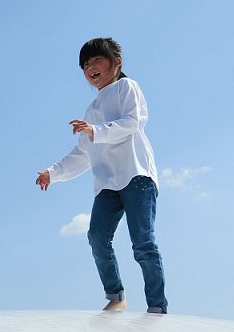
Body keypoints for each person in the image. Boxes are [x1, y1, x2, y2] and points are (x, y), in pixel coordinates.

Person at [35, 38, 167, 314]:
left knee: (143, 242)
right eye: (85, 65)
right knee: (96, 236)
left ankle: (157, 306)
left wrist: (97, 131)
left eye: (96, 61)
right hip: (107, 184)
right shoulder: (91, 110)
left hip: (136, 174)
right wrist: (53, 173)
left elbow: (133, 122)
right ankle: (116, 295)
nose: (90, 68)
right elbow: (82, 153)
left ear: (117, 63)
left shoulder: (126, 87)